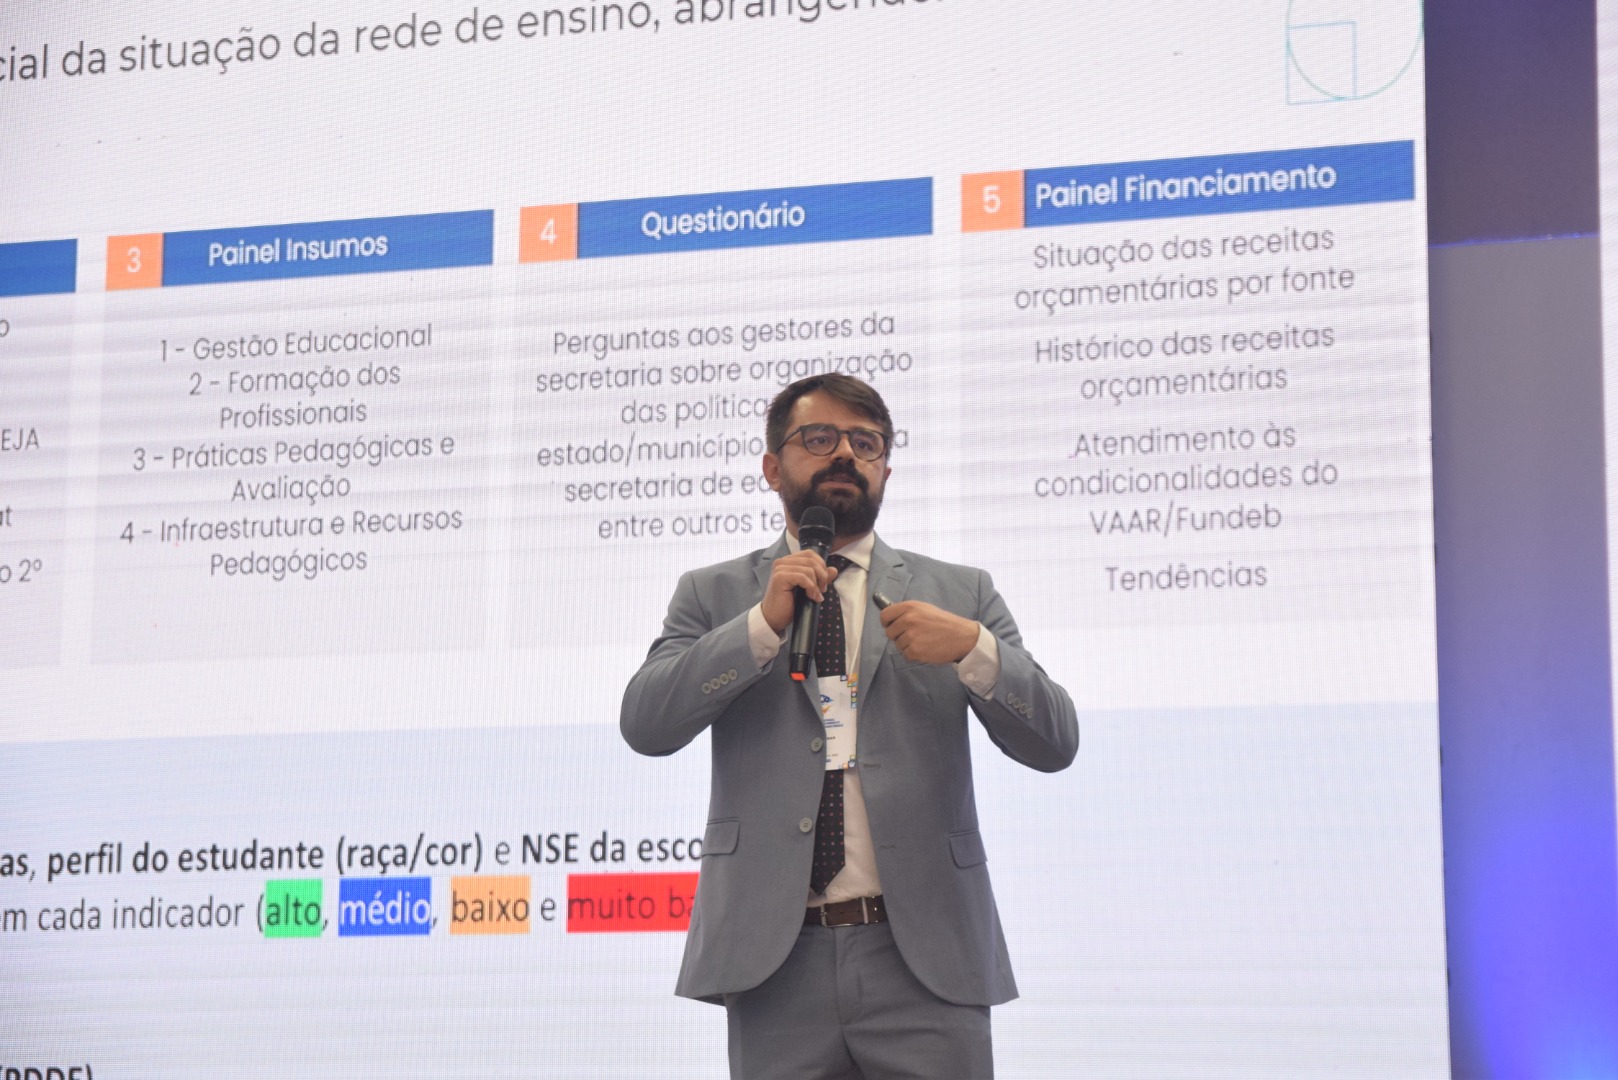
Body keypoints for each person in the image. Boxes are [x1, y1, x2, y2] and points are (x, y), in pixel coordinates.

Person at [621, 373, 1079, 1079]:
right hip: (775, 958)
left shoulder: (960, 593)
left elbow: (1054, 743)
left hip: (926, 953)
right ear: (772, 467)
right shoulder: (714, 594)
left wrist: (974, 649)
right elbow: (647, 723)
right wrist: (759, 626)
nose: (845, 454)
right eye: (819, 438)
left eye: (866, 444)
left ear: (886, 470)